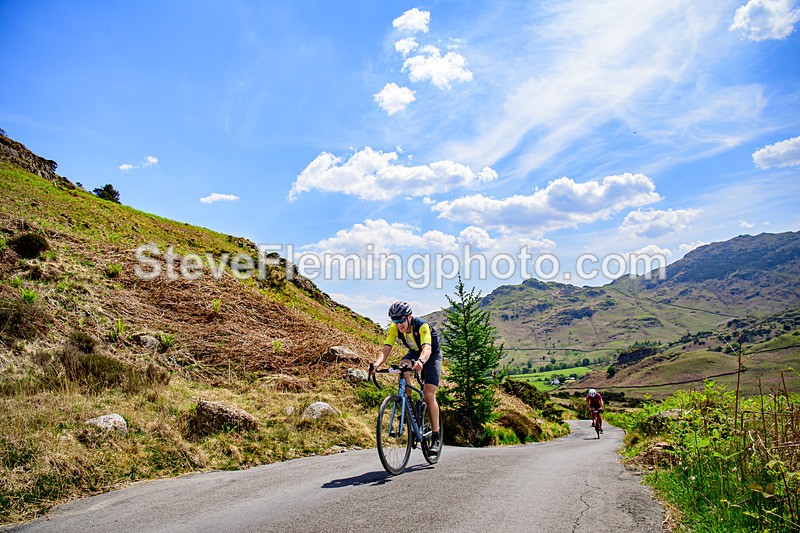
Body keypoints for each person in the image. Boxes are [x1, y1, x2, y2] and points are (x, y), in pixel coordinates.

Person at [370, 301, 442, 455]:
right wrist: (376, 364)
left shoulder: (421, 326)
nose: (398, 324)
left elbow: (427, 349)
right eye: (394, 320)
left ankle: (436, 436)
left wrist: (421, 362)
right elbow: (386, 348)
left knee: (429, 394)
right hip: (414, 353)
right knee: (402, 365)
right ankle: (407, 403)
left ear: (409, 317)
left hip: (431, 354)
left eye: (401, 319)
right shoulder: (394, 328)